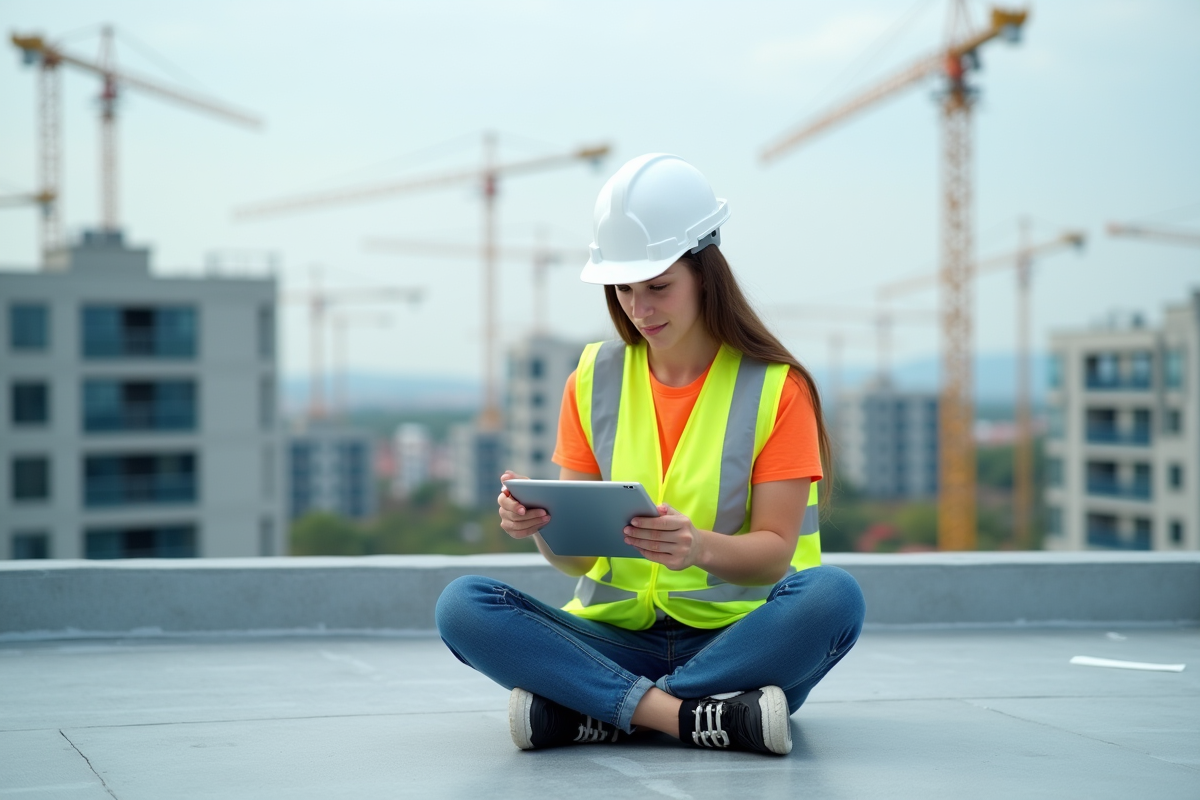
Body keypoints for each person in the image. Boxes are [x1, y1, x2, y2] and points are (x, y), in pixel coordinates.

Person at [436, 154, 865, 756]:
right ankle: (694, 718)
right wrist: (539, 528)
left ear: (705, 273)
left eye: (658, 287)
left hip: (737, 642)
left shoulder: (777, 388)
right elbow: (580, 563)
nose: (639, 308)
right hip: (613, 638)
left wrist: (699, 548)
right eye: (625, 289)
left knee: (834, 597)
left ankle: (601, 709)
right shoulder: (590, 379)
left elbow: (773, 557)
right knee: (464, 605)